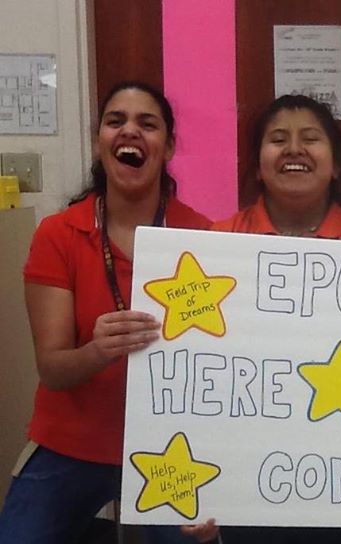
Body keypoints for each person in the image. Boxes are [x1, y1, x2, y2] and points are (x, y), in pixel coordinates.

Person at [0, 81, 218, 543]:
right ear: (99, 141)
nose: (130, 131)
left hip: (171, 446)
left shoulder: (201, 236)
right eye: (116, 121)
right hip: (71, 441)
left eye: (148, 123)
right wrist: (97, 351)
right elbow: (52, 369)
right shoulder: (58, 234)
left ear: (168, 147)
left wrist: (224, 481)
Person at [213, 94, 341, 543]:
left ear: (336, 165)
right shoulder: (217, 244)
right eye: (277, 139)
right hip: (246, 477)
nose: (294, 149)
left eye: (310, 138)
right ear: (257, 166)